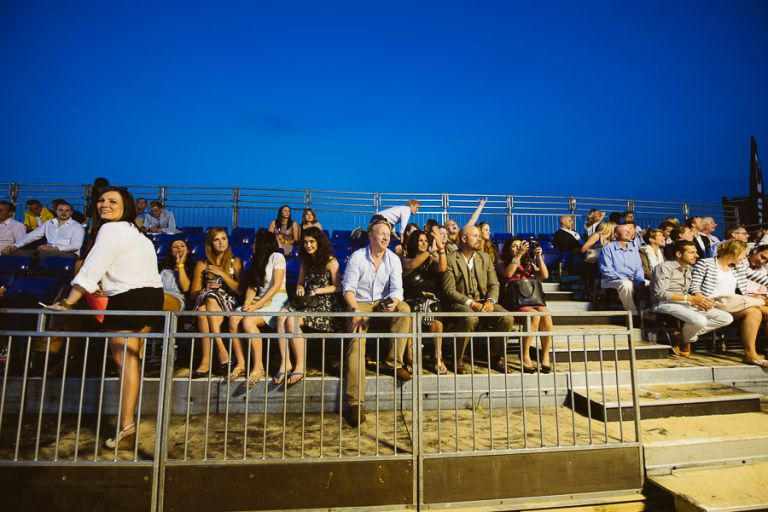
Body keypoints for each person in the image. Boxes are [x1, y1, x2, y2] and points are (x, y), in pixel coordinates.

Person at [45, 187, 164, 451]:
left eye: (113, 201)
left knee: (126, 366)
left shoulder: (110, 230)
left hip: (129, 299)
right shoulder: (137, 232)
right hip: (151, 297)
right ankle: (127, 427)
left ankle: (126, 428)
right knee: (131, 363)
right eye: (101, 200)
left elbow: (92, 267)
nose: (104, 205)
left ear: (126, 206)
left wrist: (68, 301)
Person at [342, 218, 411, 426]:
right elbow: (348, 289)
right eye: (381, 233)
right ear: (371, 236)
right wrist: (354, 310)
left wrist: (394, 302)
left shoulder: (393, 259)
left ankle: (394, 362)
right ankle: (355, 403)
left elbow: (397, 289)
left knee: (404, 309)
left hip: (381, 302)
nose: (386, 237)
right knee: (357, 341)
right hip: (360, 303)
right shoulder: (357, 257)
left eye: (388, 234)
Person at [442, 225, 515, 374]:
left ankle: (495, 356)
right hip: (460, 303)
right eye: (475, 236)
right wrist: (471, 303)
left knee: (507, 317)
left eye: (479, 235)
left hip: (484, 302)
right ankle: (457, 358)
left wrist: (490, 301)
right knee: (470, 318)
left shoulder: (485, 258)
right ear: (463, 238)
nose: (479, 238)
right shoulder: (450, 259)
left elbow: (494, 284)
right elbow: (448, 290)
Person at [275, 227, 342, 386]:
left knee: (291, 322)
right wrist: (300, 287)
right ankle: (286, 363)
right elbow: (300, 281)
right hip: (307, 303)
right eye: (305, 242)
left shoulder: (331, 261)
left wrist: (317, 290)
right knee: (281, 316)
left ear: (319, 242)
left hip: (325, 305)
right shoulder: (305, 261)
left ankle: (299, 366)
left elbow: (338, 287)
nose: (308, 245)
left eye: (312, 241)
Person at [690, 239, 768, 368]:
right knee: (754, 310)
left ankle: (751, 354)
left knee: (754, 312)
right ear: (734, 252)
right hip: (712, 304)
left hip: (731, 304)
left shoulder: (737, 268)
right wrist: (700, 298)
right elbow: (694, 287)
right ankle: (751, 354)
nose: (744, 257)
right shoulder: (706, 263)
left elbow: (764, 279)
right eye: (743, 254)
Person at [651, 240, 733, 356]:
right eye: (692, 252)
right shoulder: (664, 267)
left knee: (726, 318)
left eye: (696, 252)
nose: (697, 255)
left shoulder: (690, 269)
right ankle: (688, 339)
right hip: (664, 303)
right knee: (700, 320)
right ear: (679, 254)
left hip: (686, 304)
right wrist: (691, 299)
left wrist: (699, 301)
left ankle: (685, 338)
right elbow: (660, 294)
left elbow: (691, 293)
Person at [229, 229, 288, 387]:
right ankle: (241, 363)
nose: (253, 245)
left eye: (255, 242)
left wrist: (256, 306)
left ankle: (258, 367)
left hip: (277, 299)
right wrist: (248, 303)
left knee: (248, 322)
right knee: (234, 318)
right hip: (259, 299)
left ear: (263, 243)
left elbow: (276, 286)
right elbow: (252, 287)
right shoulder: (256, 260)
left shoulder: (278, 257)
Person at [190, 228, 243, 378]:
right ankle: (217, 353)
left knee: (205, 307)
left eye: (224, 238)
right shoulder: (202, 264)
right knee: (204, 306)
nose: (221, 242)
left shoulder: (236, 261)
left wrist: (223, 275)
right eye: (216, 239)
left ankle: (210, 357)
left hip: (230, 301)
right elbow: (194, 293)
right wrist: (205, 288)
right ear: (210, 243)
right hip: (207, 299)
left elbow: (240, 291)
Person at [498, 238, 554, 373]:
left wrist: (539, 258)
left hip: (531, 297)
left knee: (545, 313)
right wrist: (518, 255)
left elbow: (544, 275)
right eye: (514, 246)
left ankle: (545, 355)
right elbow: (508, 273)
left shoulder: (527, 262)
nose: (517, 248)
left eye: (520, 246)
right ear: (507, 249)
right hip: (514, 300)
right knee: (533, 315)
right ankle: (525, 355)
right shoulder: (501, 261)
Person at [402, 226, 447, 374]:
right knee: (411, 310)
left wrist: (441, 249)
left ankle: (437, 357)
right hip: (411, 299)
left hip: (429, 299)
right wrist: (430, 251)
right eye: (420, 240)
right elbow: (412, 265)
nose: (423, 243)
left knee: (434, 308)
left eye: (425, 240)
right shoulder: (404, 259)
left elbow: (442, 268)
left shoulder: (430, 259)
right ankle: (410, 357)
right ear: (414, 243)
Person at [2, 201, 85, 257]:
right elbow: (31, 236)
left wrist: (54, 248)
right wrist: (15, 246)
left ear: (71, 213)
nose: (63, 213)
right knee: (17, 253)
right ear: (56, 211)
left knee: (42, 256)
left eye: (67, 210)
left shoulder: (77, 227)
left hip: (67, 253)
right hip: (47, 252)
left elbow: (76, 246)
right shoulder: (49, 223)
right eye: (60, 210)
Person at [599, 224, 646, 313]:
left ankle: (649, 312)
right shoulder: (608, 248)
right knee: (626, 285)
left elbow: (639, 269)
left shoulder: (634, 249)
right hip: (610, 280)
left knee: (650, 285)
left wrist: (640, 281)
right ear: (616, 234)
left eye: (629, 230)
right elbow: (606, 270)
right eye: (624, 231)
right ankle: (632, 314)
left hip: (632, 279)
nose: (628, 232)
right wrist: (625, 279)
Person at [158, 238, 195, 311]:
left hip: (178, 300)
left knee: (158, 298)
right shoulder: (161, 266)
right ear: (171, 252)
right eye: (175, 246)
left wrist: (180, 265)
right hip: (159, 295)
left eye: (182, 246)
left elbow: (185, 288)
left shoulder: (193, 267)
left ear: (187, 251)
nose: (179, 247)